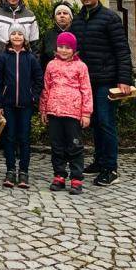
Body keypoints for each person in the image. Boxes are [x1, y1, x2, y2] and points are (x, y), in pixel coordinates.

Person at [69, 0, 133, 187]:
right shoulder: (78, 20)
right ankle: (99, 160)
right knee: (95, 123)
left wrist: (124, 79)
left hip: (106, 79)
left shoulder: (109, 18)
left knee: (106, 122)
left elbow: (122, 49)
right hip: (86, 82)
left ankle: (110, 168)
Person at [40, 32, 93, 195]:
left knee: (74, 146)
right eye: (61, 47)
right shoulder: (51, 65)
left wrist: (86, 113)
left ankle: (76, 178)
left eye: (67, 48)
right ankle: (59, 175)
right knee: (57, 146)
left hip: (73, 112)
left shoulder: (81, 66)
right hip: (54, 111)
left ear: (74, 49)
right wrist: (43, 109)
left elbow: (86, 90)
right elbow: (46, 87)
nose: (63, 50)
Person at [0, 24, 43, 189]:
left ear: (24, 38)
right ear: (9, 37)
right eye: (13, 33)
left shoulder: (31, 58)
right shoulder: (3, 58)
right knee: (9, 137)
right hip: (8, 105)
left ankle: (23, 171)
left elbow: (38, 79)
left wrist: (33, 96)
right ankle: (10, 170)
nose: (16, 36)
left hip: (25, 105)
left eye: (20, 34)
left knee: (24, 138)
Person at [40, 1, 75, 69]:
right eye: (58, 13)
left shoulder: (76, 33)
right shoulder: (48, 35)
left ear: (71, 17)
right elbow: (42, 58)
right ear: (54, 18)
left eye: (65, 13)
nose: (62, 16)